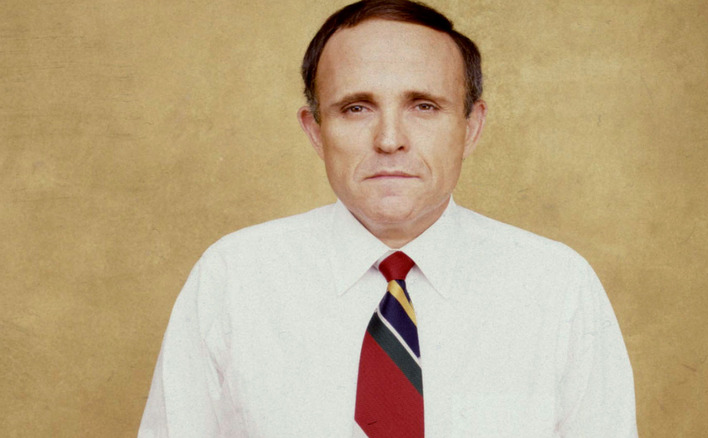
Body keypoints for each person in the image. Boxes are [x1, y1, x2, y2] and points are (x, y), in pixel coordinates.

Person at [139, 0, 637, 436]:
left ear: (471, 126)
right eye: (356, 108)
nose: (389, 139)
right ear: (315, 131)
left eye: (424, 106)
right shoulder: (232, 279)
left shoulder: (557, 286)